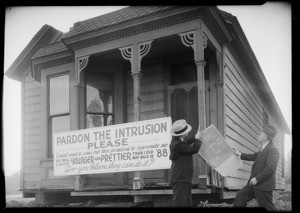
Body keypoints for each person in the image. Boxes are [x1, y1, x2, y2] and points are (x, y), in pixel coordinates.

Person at [232, 124, 279, 211]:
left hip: (263, 185)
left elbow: (270, 169)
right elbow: (254, 156)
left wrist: (257, 179)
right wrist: (240, 154)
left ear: (265, 136)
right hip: (254, 184)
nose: (258, 135)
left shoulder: (273, 150)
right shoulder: (264, 148)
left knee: (268, 208)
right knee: (241, 195)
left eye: (260, 133)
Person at [169, 119, 202, 207]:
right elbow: (194, 149)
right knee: (180, 204)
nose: (188, 133)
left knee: (187, 204)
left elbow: (187, 141)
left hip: (183, 178)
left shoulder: (179, 142)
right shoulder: (177, 145)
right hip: (180, 179)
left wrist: (196, 136)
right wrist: (197, 139)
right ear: (183, 134)